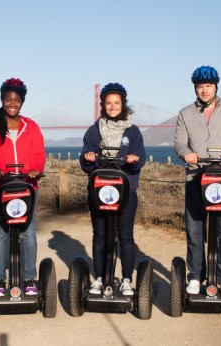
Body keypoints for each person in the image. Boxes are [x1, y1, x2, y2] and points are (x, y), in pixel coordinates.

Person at [174, 66, 221, 296]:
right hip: (196, 177)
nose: (204, 90)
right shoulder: (185, 113)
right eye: (200, 86)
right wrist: (186, 153)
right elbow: (179, 143)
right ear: (195, 88)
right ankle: (195, 276)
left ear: (216, 87)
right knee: (195, 230)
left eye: (208, 86)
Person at [0, 78, 46, 296]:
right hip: (1, 189)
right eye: (8, 99)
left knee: (28, 233)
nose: (12, 103)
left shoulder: (32, 127)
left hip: (27, 187)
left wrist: (35, 168)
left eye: (17, 99)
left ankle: (29, 279)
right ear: (1, 100)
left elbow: (38, 155)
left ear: (22, 102)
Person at [80, 83, 146, 296]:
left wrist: (134, 160)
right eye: (108, 103)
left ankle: (126, 279)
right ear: (103, 105)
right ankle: (99, 278)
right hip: (100, 191)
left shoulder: (133, 131)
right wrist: (88, 158)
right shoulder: (93, 130)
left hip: (126, 192)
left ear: (123, 104)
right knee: (99, 235)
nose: (112, 106)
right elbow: (85, 162)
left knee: (125, 236)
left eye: (116, 103)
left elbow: (140, 159)